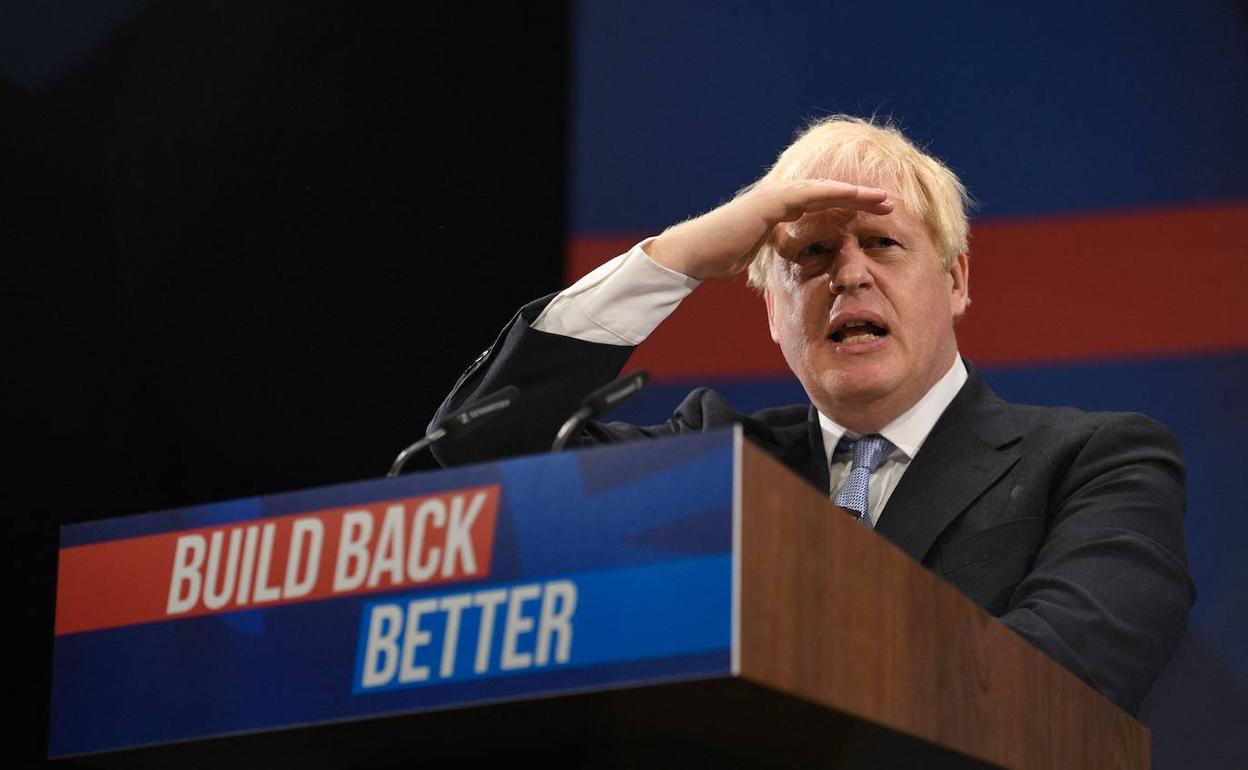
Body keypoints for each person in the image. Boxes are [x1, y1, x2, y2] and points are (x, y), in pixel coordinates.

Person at [431, 115, 1194, 715]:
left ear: (956, 281)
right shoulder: (715, 460)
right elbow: (482, 457)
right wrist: (677, 259)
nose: (849, 274)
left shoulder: (1096, 462)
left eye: (882, 243)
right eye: (813, 254)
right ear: (772, 311)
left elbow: (1052, 680)